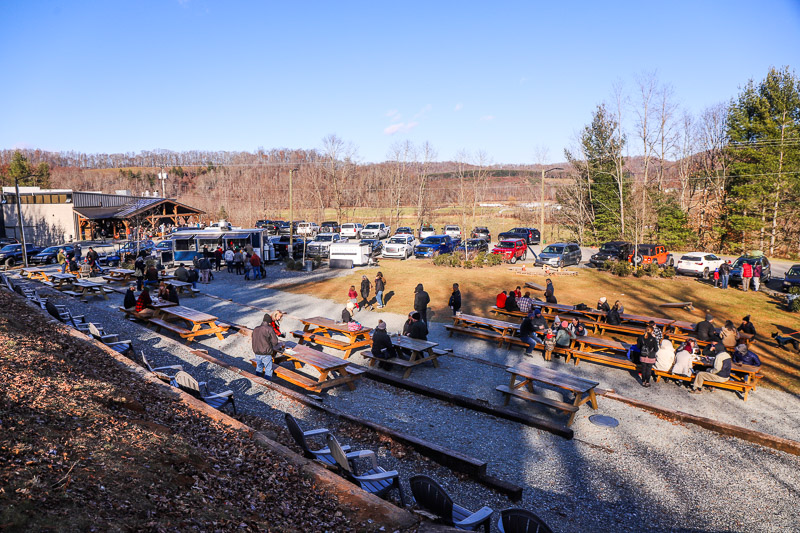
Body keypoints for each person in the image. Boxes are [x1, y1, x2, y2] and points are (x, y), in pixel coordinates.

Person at [252, 311, 284, 379]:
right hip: (266, 353)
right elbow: (275, 342)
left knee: (259, 367)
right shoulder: (269, 328)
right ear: (269, 322)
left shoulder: (255, 328)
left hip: (257, 352)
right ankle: (267, 382)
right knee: (268, 369)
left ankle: (258, 380)